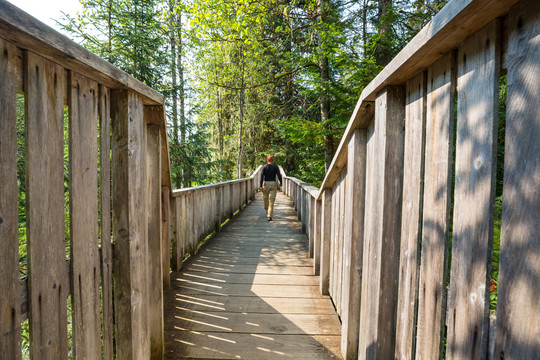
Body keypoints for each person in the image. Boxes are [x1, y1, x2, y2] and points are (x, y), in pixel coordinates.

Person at [259, 155, 283, 221]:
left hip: (265, 184)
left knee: (265, 199)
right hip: (273, 184)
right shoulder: (275, 167)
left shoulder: (264, 167)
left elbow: (261, 177)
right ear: (273, 160)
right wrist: (281, 182)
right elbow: (279, 175)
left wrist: (261, 186)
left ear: (267, 160)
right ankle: (269, 214)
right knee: (271, 201)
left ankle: (268, 213)